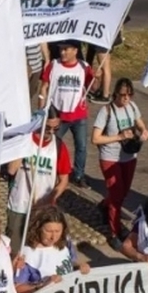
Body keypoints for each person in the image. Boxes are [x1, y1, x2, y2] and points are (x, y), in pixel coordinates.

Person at [92, 78, 148, 248]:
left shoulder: (132, 107)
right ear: (116, 93)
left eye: (129, 95)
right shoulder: (106, 111)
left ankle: (105, 206)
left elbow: (140, 124)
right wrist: (119, 137)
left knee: (123, 192)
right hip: (110, 157)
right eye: (123, 95)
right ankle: (115, 232)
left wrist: (143, 131)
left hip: (129, 156)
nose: (126, 99)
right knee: (117, 196)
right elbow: (95, 139)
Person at [5, 107, 71, 253]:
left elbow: (64, 180)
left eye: (56, 128)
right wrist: (21, 146)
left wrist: (51, 197)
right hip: (19, 204)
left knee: (38, 249)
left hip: (43, 209)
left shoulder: (59, 146)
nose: (52, 132)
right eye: (47, 128)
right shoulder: (25, 140)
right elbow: (11, 170)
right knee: (15, 250)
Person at [39, 41, 93, 189]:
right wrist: (43, 111)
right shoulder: (54, 65)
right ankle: (52, 171)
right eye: (61, 49)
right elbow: (44, 87)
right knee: (52, 144)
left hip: (78, 114)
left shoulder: (84, 67)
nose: (62, 53)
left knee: (81, 146)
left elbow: (93, 86)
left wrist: (98, 77)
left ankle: (79, 175)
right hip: (58, 114)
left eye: (66, 49)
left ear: (75, 51)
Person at [19, 207, 89, 293]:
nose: (53, 237)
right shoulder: (27, 255)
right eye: (48, 231)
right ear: (38, 228)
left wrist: (80, 267)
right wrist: (41, 286)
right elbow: (17, 290)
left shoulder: (65, 242)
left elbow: (71, 264)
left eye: (57, 231)